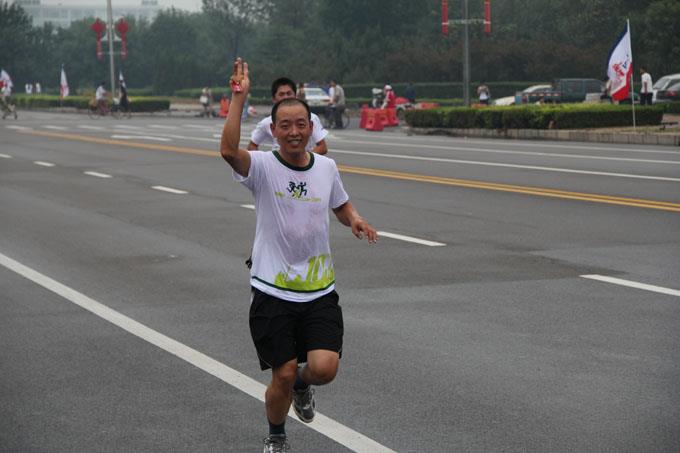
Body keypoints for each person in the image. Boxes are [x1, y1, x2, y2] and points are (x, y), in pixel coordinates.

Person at [220, 57, 378, 453]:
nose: (294, 132)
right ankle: (276, 436)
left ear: (311, 128)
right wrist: (238, 98)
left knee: (324, 368)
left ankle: (304, 388)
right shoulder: (262, 166)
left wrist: (355, 219)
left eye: (301, 125)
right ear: (273, 131)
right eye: (286, 126)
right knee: (284, 372)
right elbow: (227, 150)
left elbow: (340, 204)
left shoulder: (326, 167)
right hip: (273, 289)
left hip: (318, 289)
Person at [248, 77, 328, 155]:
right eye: (281, 94)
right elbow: (252, 145)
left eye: (289, 93)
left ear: (295, 96)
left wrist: (304, 160)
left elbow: (322, 147)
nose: (286, 97)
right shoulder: (267, 122)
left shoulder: (310, 118)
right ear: (274, 99)